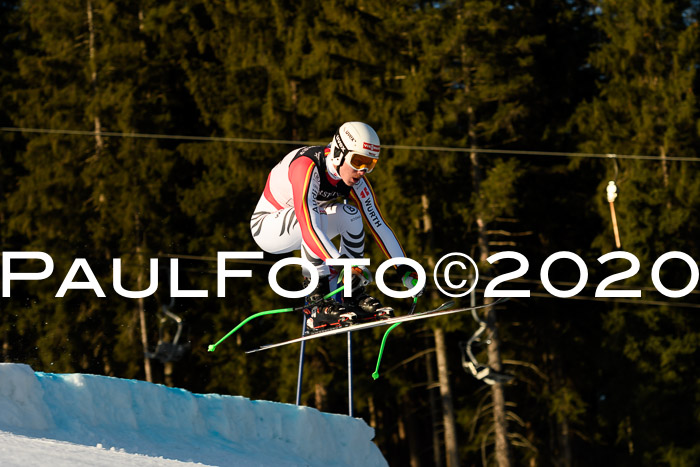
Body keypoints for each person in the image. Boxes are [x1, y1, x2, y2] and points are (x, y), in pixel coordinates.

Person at [250, 122, 420, 333]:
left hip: (308, 224)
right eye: (358, 161)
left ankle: (351, 295)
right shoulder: (306, 166)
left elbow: (378, 224)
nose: (362, 171)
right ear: (339, 153)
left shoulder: (355, 179)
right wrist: (343, 264)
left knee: (351, 215)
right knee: (315, 215)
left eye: (370, 164)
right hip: (267, 227)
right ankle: (317, 301)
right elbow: (308, 226)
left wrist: (403, 268)